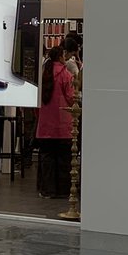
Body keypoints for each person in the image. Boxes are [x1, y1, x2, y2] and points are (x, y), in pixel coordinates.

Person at [36, 46, 76, 198]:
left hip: (45, 125)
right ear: (60, 57)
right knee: (64, 160)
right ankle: (63, 191)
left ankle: (47, 190)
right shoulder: (66, 75)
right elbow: (71, 98)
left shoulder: (43, 74)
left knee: (47, 159)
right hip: (63, 125)